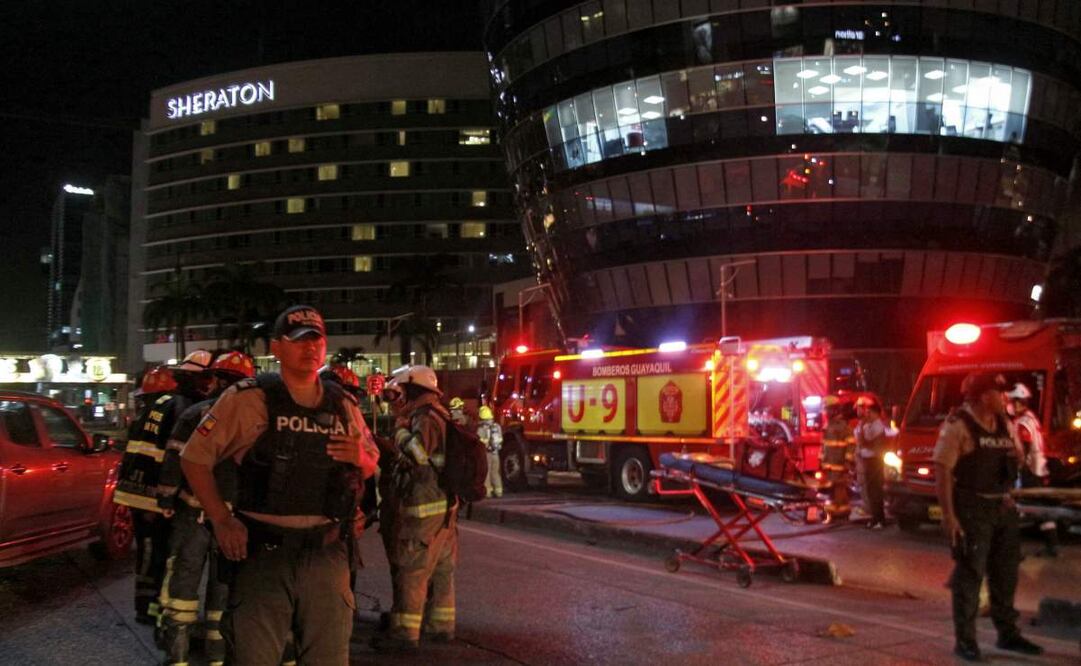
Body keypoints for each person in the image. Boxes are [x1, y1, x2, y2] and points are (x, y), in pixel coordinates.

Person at [180, 306, 379, 665]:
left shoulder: (343, 404)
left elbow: (370, 463)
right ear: (277, 348)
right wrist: (222, 520)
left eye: (316, 339)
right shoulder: (247, 399)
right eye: (299, 340)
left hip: (327, 553)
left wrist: (360, 458)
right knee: (255, 657)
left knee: (329, 658)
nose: (310, 348)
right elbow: (194, 458)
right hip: (263, 555)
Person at [934, 372, 1043, 661]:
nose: (1004, 397)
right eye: (999, 392)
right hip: (973, 509)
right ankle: (966, 641)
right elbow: (942, 470)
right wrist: (949, 516)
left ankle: (1008, 635)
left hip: (1002, 508)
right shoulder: (959, 425)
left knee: (1005, 575)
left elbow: (1015, 457)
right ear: (984, 396)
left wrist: (1018, 459)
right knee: (970, 576)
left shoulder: (1004, 423)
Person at [156, 351, 255, 666]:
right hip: (233, 517)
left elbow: (174, 461)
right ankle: (216, 656)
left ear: (215, 379)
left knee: (183, 583)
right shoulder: (256, 420)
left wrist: (166, 500)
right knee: (222, 587)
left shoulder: (196, 414)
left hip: (193, 512)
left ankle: (177, 658)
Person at [115, 351, 212, 626]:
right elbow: (179, 456)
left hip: (136, 488)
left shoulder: (154, 406)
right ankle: (153, 610)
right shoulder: (183, 407)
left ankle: (146, 605)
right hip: (157, 491)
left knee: (148, 550)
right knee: (160, 552)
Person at [372, 365, 457, 652]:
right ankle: (441, 626)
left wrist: (398, 433)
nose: (398, 398)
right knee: (442, 568)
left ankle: (404, 635)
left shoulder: (426, 417)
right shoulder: (441, 412)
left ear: (412, 388)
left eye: (401, 392)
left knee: (413, 568)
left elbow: (419, 455)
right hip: (443, 504)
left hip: (424, 504)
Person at [1006, 383, 1057, 557]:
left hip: (1029, 471)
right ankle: (1052, 546)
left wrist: (1017, 467)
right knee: (1042, 509)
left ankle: (1014, 551)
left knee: (1017, 509)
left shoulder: (1022, 423)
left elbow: (1024, 448)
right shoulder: (1032, 419)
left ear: (1019, 402)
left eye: (1012, 401)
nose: (1010, 405)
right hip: (1040, 469)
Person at [818, 396, 854, 520]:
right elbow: (824, 445)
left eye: (827, 410)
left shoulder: (843, 427)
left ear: (834, 410)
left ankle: (840, 513)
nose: (825, 413)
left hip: (839, 464)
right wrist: (821, 460)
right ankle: (835, 511)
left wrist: (848, 462)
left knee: (839, 488)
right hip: (829, 464)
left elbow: (851, 445)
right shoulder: (828, 425)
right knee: (832, 488)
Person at [855, 403, 889, 529]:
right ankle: (875, 518)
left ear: (876, 413)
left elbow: (874, 445)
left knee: (876, 491)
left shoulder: (878, 426)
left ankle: (879, 519)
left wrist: (863, 441)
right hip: (867, 459)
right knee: (870, 490)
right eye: (866, 412)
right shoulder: (868, 425)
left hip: (875, 461)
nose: (866, 414)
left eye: (869, 412)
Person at [477, 405, 503, 498]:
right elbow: (500, 439)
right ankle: (498, 491)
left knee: (486, 473)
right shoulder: (497, 427)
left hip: (486, 454)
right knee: (495, 472)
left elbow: (479, 442)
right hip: (496, 454)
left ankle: (487, 492)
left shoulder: (481, 428)